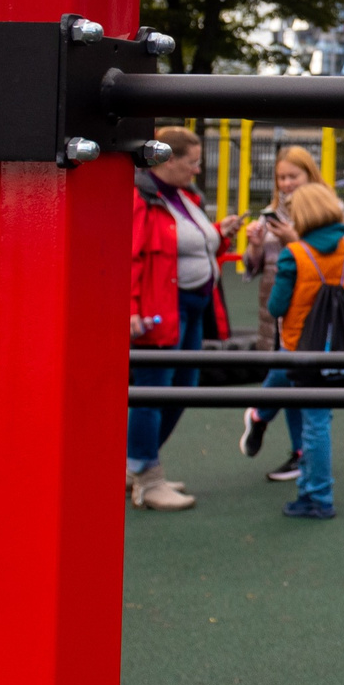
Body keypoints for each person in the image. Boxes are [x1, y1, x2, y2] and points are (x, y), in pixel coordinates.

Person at [126, 126, 242, 511]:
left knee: (185, 385)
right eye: (191, 162)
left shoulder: (185, 197)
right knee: (154, 392)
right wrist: (131, 309)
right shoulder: (142, 197)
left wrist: (220, 234)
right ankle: (146, 475)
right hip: (162, 309)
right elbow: (133, 256)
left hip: (192, 306)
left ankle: (136, 462)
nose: (196, 170)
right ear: (167, 160)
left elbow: (196, 247)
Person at [263, 180, 344, 520]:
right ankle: (309, 487)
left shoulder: (295, 255)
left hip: (304, 349)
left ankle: (319, 496)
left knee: (315, 423)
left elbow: (277, 307)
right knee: (318, 417)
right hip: (343, 346)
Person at [237, 145, 325, 483]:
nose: (287, 184)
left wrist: (295, 239)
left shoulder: (325, 208)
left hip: (311, 300)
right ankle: (298, 451)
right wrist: (256, 245)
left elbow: (341, 248)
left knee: (296, 371)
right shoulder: (271, 211)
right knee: (286, 369)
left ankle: (261, 415)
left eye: (293, 176)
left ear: (309, 176)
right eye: (281, 178)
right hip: (276, 299)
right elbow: (251, 265)